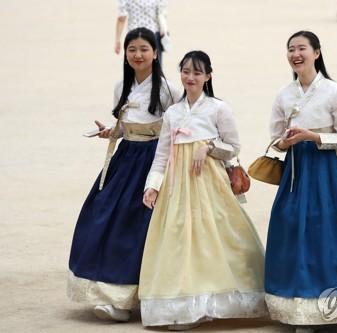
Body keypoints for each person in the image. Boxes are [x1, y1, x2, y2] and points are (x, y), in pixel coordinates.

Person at [139, 50, 268, 330]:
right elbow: (161, 155)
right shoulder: (173, 112)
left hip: (210, 184)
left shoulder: (218, 108)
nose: (190, 77)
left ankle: (216, 302)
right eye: (185, 71)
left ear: (208, 76)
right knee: (179, 241)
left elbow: (234, 147)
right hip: (177, 187)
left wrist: (207, 147)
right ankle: (185, 307)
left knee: (216, 239)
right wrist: (152, 187)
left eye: (197, 72)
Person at [67, 27, 181, 322]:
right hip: (125, 159)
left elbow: (178, 128)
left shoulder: (169, 90)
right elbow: (128, 123)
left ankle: (136, 298)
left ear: (156, 53)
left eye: (144, 49)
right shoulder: (122, 87)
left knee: (140, 226)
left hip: (154, 162)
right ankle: (113, 295)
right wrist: (111, 131)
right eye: (132, 49)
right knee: (105, 217)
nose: (138, 55)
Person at [264, 30, 337, 333]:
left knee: (330, 230)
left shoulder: (334, 91)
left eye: (302, 48)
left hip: (329, 170)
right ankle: (300, 305)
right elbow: (274, 137)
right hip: (297, 171)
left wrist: (312, 136)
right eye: (291, 49)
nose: (296, 54)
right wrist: (285, 141)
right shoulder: (284, 93)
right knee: (292, 229)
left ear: (317, 52)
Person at [115, 0, 171, 65]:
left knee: (133, 67)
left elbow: (122, 18)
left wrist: (117, 41)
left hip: (133, 35)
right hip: (153, 34)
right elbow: (162, 12)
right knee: (155, 67)